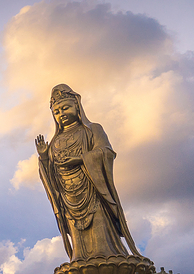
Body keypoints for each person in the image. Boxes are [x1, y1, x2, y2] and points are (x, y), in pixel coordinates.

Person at [35, 84, 142, 262]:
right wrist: (45, 157)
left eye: (65, 108)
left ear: (77, 106)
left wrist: (80, 159)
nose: (61, 114)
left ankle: (110, 255)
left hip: (93, 193)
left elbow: (106, 152)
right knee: (79, 243)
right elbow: (52, 177)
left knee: (100, 228)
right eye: (56, 112)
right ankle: (80, 259)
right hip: (69, 199)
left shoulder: (92, 129)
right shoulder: (55, 141)